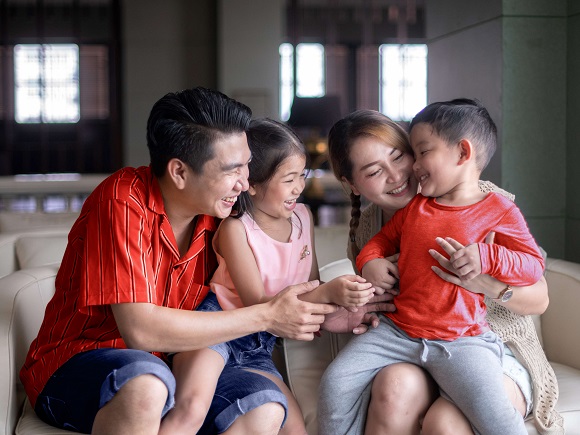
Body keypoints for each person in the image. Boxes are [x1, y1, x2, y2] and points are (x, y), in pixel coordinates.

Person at [19, 87, 344, 435]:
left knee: (264, 408)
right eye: (232, 170)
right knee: (147, 385)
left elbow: (283, 257)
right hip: (81, 362)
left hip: (174, 366)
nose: (245, 182)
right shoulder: (123, 199)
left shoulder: (223, 214)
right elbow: (140, 331)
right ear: (179, 172)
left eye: (247, 166)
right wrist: (267, 315)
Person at [320, 105, 564, 434]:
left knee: (445, 423)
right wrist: (364, 283)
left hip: (485, 344)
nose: (397, 175)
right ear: (352, 184)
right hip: (407, 337)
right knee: (390, 389)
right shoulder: (374, 227)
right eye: (374, 171)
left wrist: (486, 277)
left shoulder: (486, 201)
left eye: (400, 156)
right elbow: (377, 276)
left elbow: (538, 291)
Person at [159, 117, 375, 434]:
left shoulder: (303, 216)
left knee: (295, 429)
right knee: (191, 408)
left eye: (302, 175)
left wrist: (341, 310)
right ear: (253, 184)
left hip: (258, 345)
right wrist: (328, 293)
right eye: (288, 179)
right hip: (217, 328)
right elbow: (256, 302)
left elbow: (311, 285)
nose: (299, 187)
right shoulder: (236, 228)